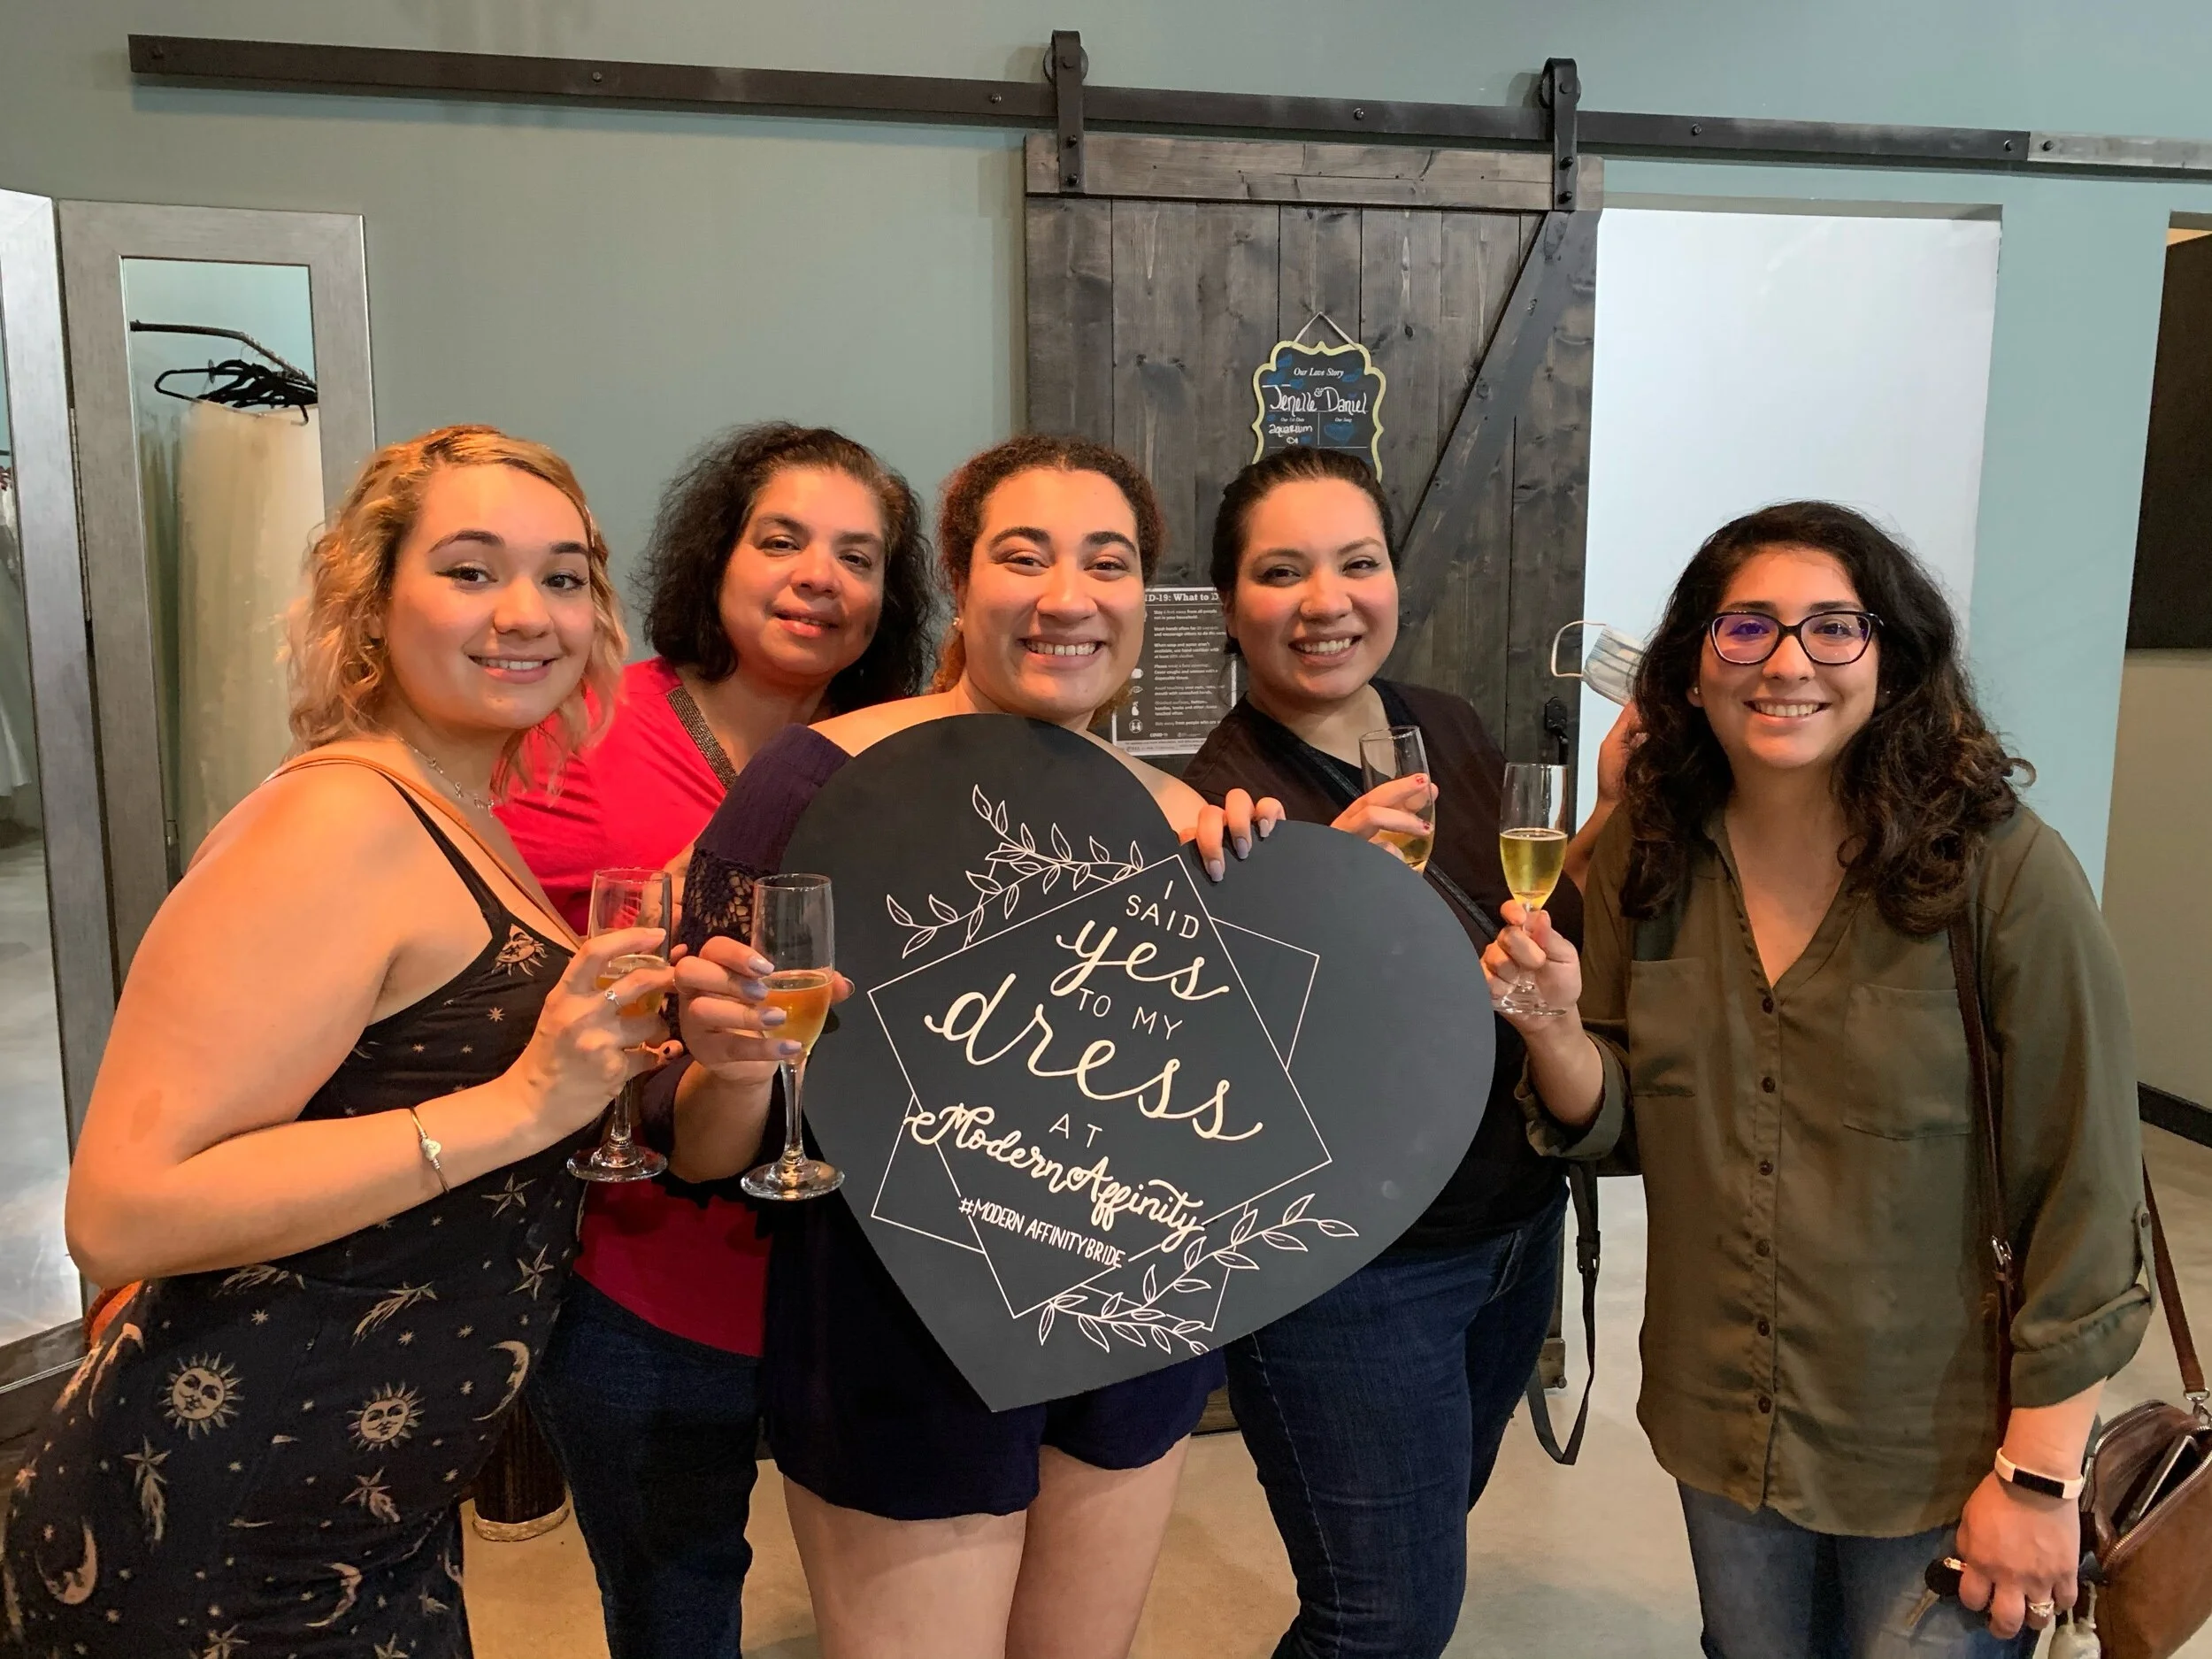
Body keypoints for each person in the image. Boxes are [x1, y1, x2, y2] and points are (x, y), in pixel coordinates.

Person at [1, 426, 673, 1656]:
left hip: (357, 1517)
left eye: (564, 576)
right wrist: (524, 1103)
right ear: (371, 602)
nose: (526, 613)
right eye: (470, 570)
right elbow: (121, 1212)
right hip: (219, 1532)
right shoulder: (335, 820)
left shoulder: (454, 806)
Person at [655, 433, 1277, 1659]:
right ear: (957, 577)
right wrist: (729, 1069)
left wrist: (1289, 887)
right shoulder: (818, 782)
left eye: (1106, 561)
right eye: (1023, 556)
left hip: (1129, 1335)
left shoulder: (1182, 819)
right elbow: (695, 1145)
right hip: (898, 1335)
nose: (1067, 596)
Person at [1494, 502, 2151, 1657]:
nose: (1788, 661)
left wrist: (2040, 1477)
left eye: (1834, 627)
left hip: (1938, 1448)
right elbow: (1628, 1119)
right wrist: (1551, 1027)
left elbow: (2085, 1192)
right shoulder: (1648, 855)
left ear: (1892, 660)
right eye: (1746, 627)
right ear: (1692, 667)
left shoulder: (2002, 874)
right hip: (1723, 1416)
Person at [496, 424, 933, 1659]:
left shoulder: (907, 750)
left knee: (900, 1588)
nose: (819, 578)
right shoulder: (580, 726)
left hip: (858, 1271)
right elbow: (499, 978)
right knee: (676, 1599)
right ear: (716, 556)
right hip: (645, 1272)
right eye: (781, 539)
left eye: (859, 557)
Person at [1178, 446, 1593, 1659]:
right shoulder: (1222, 810)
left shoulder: (1442, 726)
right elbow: (1222, 1081)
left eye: (1357, 562)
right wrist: (1323, 900)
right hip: (1354, 1274)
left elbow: (1517, 927)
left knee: (1423, 1542)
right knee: (1382, 1619)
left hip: (1513, 1230)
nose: (1327, 601)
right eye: (1281, 572)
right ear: (1228, 607)